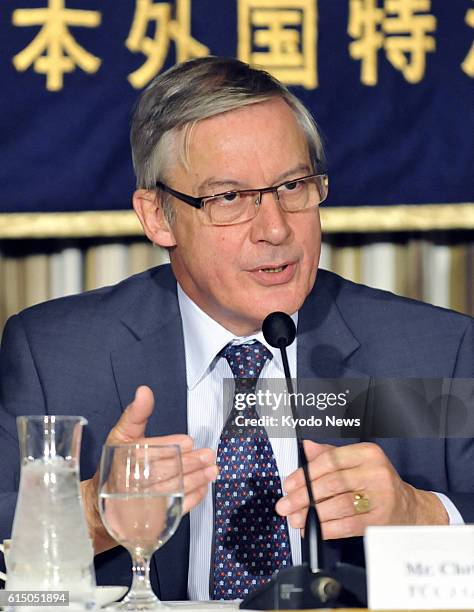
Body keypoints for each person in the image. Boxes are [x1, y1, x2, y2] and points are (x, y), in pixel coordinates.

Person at [0, 56, 473, 601]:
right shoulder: (58, 357)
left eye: (293, 186)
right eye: (229, 198)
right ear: (157, 216)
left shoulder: (430, 353)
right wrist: (92, 513)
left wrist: (422, 516)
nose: (274, 228)